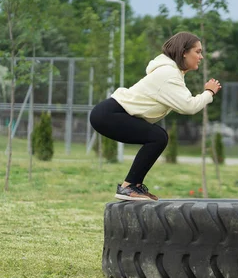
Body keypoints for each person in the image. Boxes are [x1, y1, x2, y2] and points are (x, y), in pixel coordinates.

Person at [90, 32, 221, 201]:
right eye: (198, 51)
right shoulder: (168, 74)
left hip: (110, 113)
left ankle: (134, 186)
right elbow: (188, 106)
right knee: (157, 137)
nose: (201, 57)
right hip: (109, 114)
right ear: (184, 52)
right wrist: (209, 92)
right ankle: (128, 186)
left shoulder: (172, 73)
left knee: (156, 137)